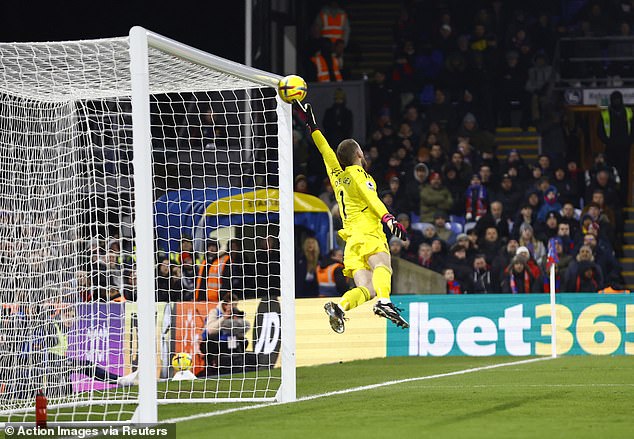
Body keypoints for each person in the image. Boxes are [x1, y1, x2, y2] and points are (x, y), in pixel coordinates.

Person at [295, 101, 409, 332]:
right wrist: (388, 218)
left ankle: (340, 306)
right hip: (367, 232)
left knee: (367, 288)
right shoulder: (358, 173)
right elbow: (371, 197)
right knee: (383, 266)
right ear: (359, 153)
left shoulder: (337, 176)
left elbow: (326, 151)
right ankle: (385, 303)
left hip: (351, 241)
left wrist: (313, 127)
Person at [199, 292, 251, 376]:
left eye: (235, 305)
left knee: (244, 341)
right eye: (232, 305)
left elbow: (243, 331)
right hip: (214, 342)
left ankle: (239, 366)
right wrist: (224, 318)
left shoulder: (234, 314)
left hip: (229, 342)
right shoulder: (214, 312)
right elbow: (211, 330)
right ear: (225, 305)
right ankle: (211, 369)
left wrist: (237, 322)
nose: (234, 307)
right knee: (210, 344)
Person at [597, 90, 634, 202]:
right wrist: (608, 141)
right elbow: (599, 131)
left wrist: (628, 141)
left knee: (624, 176)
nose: (617, 101)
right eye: (614, 99)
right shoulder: (605, 113)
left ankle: (623, 200)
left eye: (618, 99)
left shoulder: (629, 112)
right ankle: (611, 199)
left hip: (625, 150)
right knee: (610, 176)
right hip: (610, 150)